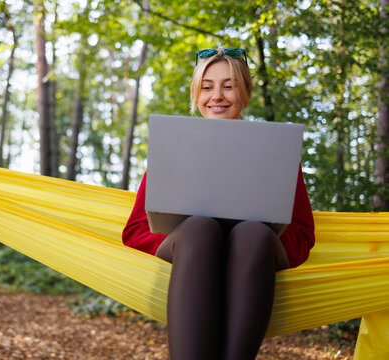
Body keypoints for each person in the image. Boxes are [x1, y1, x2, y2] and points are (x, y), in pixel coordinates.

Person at [122, 48, 315, 360]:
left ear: (246, 90)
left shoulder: (274, 150)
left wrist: (255, 235)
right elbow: (134, 230)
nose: (217, 96)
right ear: (196, 93)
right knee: (200, 229)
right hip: (190, 248)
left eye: (229, 85)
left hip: (256, 252)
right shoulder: (174, 146)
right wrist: (203, 244)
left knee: (251, 233)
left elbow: (304, 235)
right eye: (207, 86)